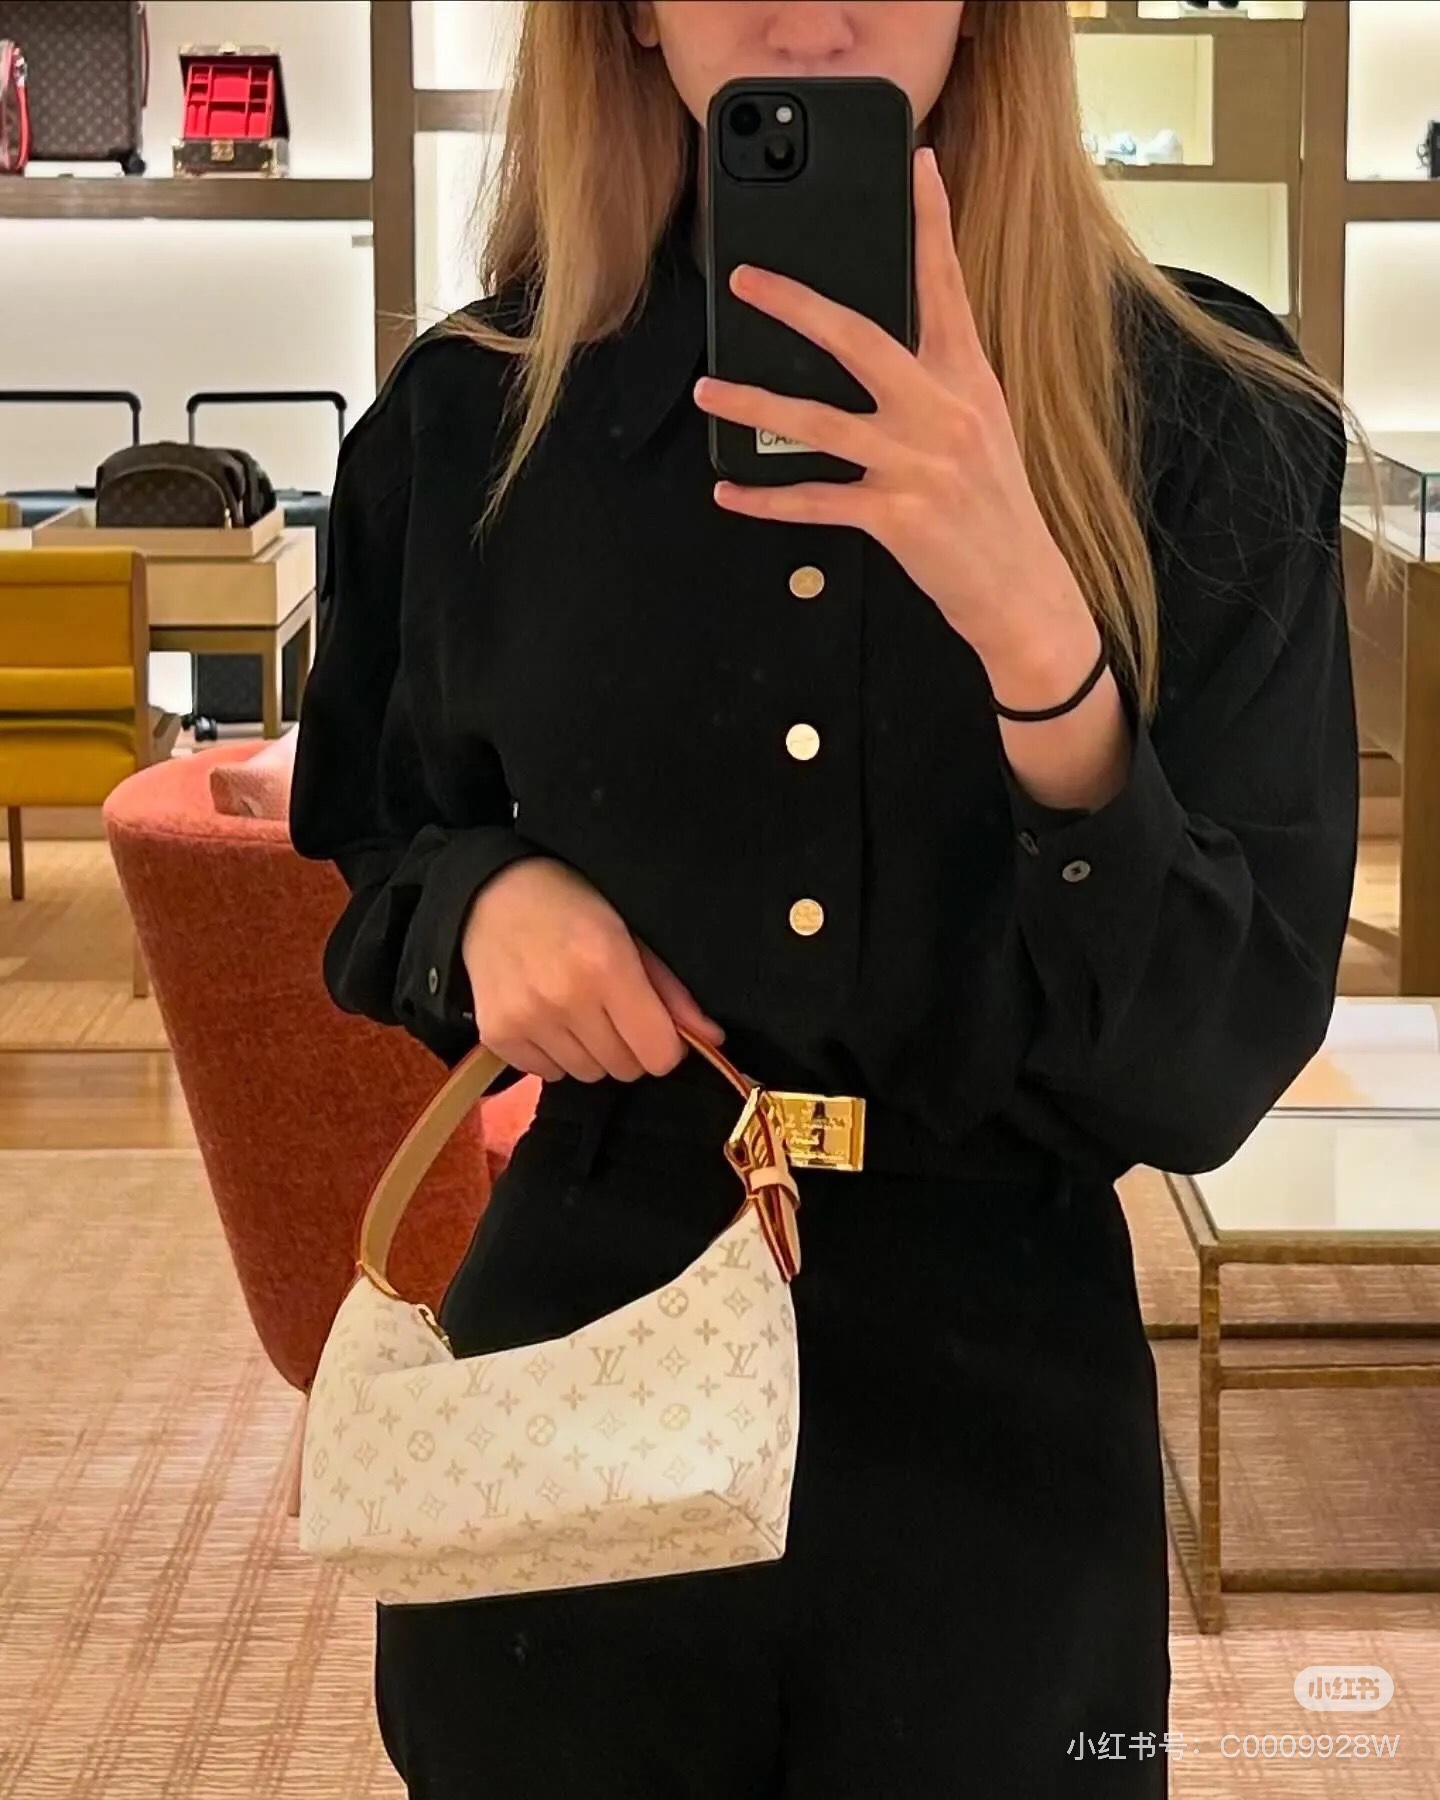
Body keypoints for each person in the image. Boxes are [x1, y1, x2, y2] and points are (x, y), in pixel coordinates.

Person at [289, 3, 1359, 1795]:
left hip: (1006, 1440)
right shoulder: (473, 418)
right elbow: (375, 840)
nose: (814, 11)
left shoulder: (1210, 415)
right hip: (580, 1385)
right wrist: (479, 901)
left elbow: (1207, 1066)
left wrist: (1032, 623)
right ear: (632, 12)